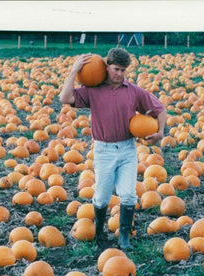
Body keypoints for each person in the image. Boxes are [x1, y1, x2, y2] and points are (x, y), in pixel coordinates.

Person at [59, 47, 167, 250]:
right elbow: (65, 98)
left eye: (123, 70)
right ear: (107, 66)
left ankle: (124, 237)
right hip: (103, 150)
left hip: (127, 149)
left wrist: (160, 132)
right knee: (101, 196)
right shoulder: (93, 90)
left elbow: (160, 109)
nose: (120, 74)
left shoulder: (134, 91)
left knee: (128, 194)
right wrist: (74, 71)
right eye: (116, 69)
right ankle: (99, 233)